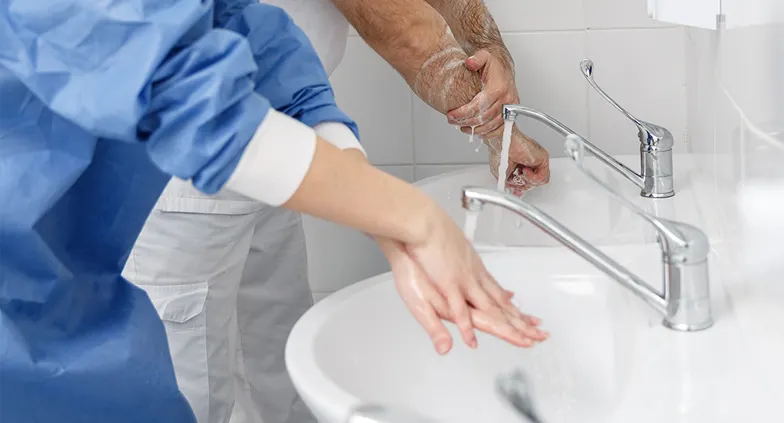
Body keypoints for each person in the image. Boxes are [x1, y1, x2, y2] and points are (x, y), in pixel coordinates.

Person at [0, 0, 545, 421]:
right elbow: (180, 95)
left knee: (278, 368)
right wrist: (405, 215)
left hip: (260, 153)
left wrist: (382, 211)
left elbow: (255, 41)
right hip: (69, 231)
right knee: (185, 390)